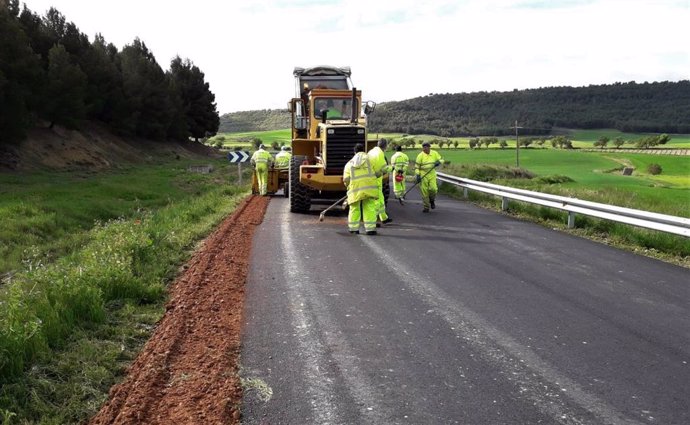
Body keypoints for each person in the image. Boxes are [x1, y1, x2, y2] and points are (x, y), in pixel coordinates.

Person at [343, 144, 379, 235]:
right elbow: (378, 172)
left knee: (354, 208)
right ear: (364, 150)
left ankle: (353, 229)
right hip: (369, 188)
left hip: (355, 190)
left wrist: (348, 186)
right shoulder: (371, 160)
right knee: (369, 207)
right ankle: (370, 229)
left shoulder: (349, 164)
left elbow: (346, 180)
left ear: (354, 152)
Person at [414, 141, 444, 213]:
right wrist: (418, 175)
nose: (424, 149)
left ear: (429, 147)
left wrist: (439, 162)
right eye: (423, 147)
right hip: (423, 175)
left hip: (432, 174)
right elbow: (417, 167)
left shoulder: (434, 153)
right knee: (424, 192)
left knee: (433, 189)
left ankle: (432, 200)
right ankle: (426, 207)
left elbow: (442, 159)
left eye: (426, 147)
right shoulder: (420, 156)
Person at [368, 139, 392, 225]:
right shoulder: (380, 154)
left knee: (381, 201)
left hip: (371, 179)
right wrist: (392, 168)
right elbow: (383, 168)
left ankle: (384, 218)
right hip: (375, 181)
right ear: (385, 146)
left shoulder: (371, 151)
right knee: (376, 202)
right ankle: (373, 221)